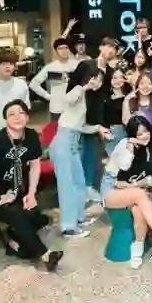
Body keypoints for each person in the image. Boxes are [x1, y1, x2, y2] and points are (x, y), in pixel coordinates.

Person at [0, 100, 63, 271]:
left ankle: (15, 244)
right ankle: (45, 255)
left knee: (36, 217)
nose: (17, 117)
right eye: (11, 114)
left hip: (12, 190)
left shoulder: (31, 136)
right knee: (17, 215)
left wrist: (31, 194)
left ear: (28, 117)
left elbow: (35, 166)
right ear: (5, 120)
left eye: (21, 113)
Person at [102, 115, 152, 268]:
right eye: (139, 134)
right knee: (140, 195)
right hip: (111, 190)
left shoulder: (150, 148)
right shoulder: (125, 144)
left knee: (139, 209)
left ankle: (138, 247)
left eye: (146, 132)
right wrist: (130, 147)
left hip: (132, 190)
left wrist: (136, 184)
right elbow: (123, 168)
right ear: (132, 135)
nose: (144, 136)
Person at [51, 60, 108, 238]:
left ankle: (78, 218)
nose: (97, 83)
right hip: (63, 142)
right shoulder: (76, 90)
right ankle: (68, 227)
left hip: (73, 142)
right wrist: (84, 87)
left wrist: (98, 128)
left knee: (79, 182)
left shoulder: (84, 96)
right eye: (94, 78)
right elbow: (68, 99)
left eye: (99, 80)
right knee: (67, 186)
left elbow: (80, 126)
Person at [29, 38, 78, 122]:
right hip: (57, 108)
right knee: (56, 129)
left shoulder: (76, 65)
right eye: (60, 48)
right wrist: (47, 96)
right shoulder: (50, 67)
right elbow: (33, 84)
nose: (63, 51)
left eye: (66, 48)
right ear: (56, 51)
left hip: (74, 108)